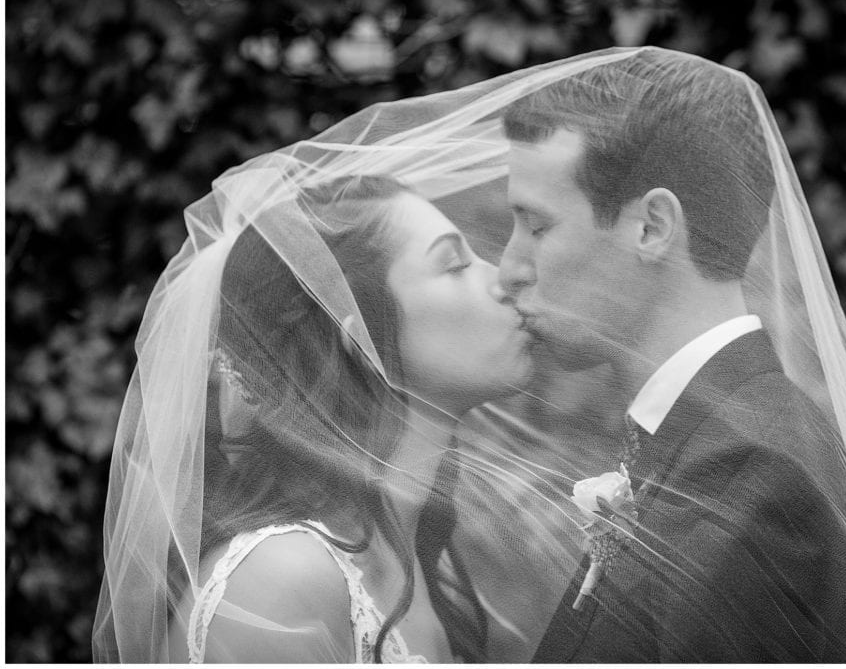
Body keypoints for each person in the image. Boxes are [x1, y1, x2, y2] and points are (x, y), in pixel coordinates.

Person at [496, 48, 846, 662]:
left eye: (536, 227)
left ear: (652, 227)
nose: (508, 269)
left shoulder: (760, 482)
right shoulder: (714, 440)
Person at [93, 172, 532, 662]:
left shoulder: (423, 565)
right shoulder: (281, 583)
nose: (504, 278)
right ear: (361, 344)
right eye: (454, 265)